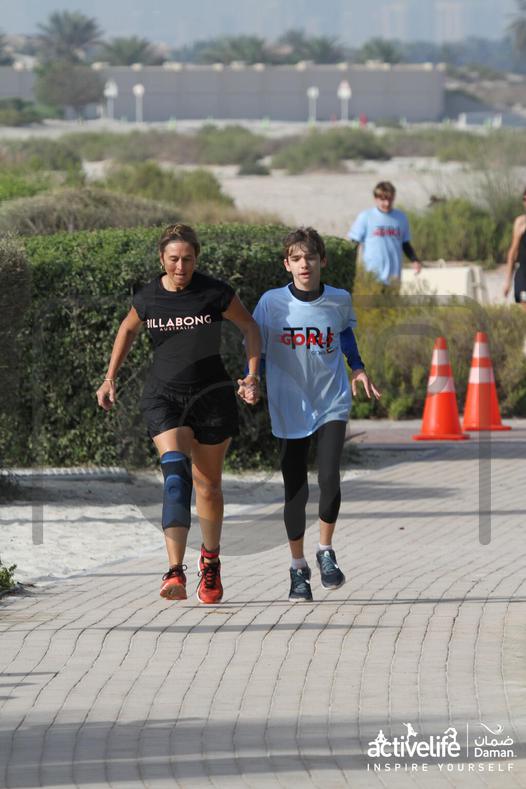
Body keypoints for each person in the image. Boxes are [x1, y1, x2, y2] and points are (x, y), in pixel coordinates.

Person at [96, 223, 261, 604]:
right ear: (161, 259)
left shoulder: (215, 292)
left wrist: (252, 375)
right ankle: (174, 571)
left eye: (187, 259)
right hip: (164, 397)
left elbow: (250, 327)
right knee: (175, 477)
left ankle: (210, 561)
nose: (180, 266)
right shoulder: (148, 297)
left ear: (196, 259)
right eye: (173, 259)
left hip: (211, 398)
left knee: (209, 486)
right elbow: (127, 329)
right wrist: (109, 378)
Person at [250, 227, 380, 602]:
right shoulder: (271, 303)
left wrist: (358, 368)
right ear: (286, 265)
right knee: (296, 489)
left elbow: (345, 334)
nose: (304, 264)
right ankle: (297, 568)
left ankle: (325, 550)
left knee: (329, 477)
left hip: (331, 400)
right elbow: (256, 345)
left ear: (322, 260)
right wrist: (251, 378)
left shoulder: (339, 299)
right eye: (296, 258)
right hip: (288, 404)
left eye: (310, 257)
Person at [347, 180, 422, 284]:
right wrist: (350, 265)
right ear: (375, 198)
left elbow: (405, 244)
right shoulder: (366, 217)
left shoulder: (401, 217)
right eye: (383, 200)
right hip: (372, 275)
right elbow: (354, 243)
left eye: (390, 199)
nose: (387, 203)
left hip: (394, 277)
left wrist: (415, 260)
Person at [503, 190, 526, 310]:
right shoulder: (520, 222)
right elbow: (512, 253)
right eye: (524, 199)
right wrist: (507, 281)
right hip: (523, 271)